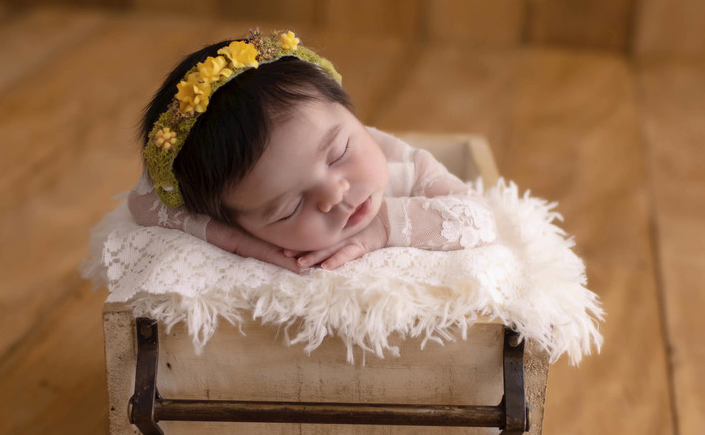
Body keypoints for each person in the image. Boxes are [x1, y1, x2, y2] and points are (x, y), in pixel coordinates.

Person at [128, 30, 496, 273]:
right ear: (238, 219)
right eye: (289, 207)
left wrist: (382, 227)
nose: (335, 194)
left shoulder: (403, 162)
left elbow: (478, 217)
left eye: (338, 154)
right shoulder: (235, 209)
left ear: (351, 114)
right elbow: (143, 200)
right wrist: (237, 241)